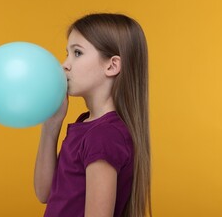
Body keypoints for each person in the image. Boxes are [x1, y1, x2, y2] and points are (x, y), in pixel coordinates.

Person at [34, 13, 152, 217]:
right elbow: (44, 193)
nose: (65, 64)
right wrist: (51, 125)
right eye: (67, 53)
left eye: (77, 53)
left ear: (112, 65)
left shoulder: (104, 136)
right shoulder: (87, 125)